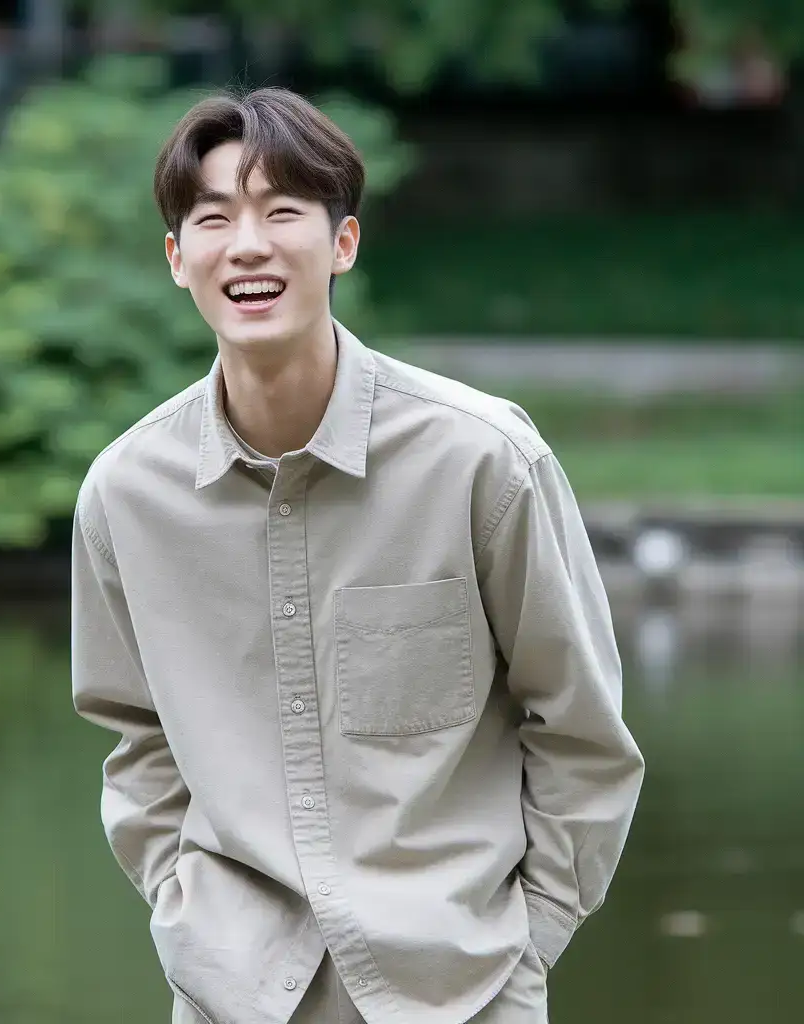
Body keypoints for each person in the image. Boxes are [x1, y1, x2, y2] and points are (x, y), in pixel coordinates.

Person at [71, 86, 644, 1024]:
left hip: (464, 992)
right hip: (231, 998)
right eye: (213, 219)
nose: (247, 245)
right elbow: (136, 740)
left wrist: (526, 941)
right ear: (178, 260)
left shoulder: (482, 460)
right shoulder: (127, 494)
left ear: (342, 244)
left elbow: (580, 730)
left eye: (281, 212)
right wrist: (187, 909)